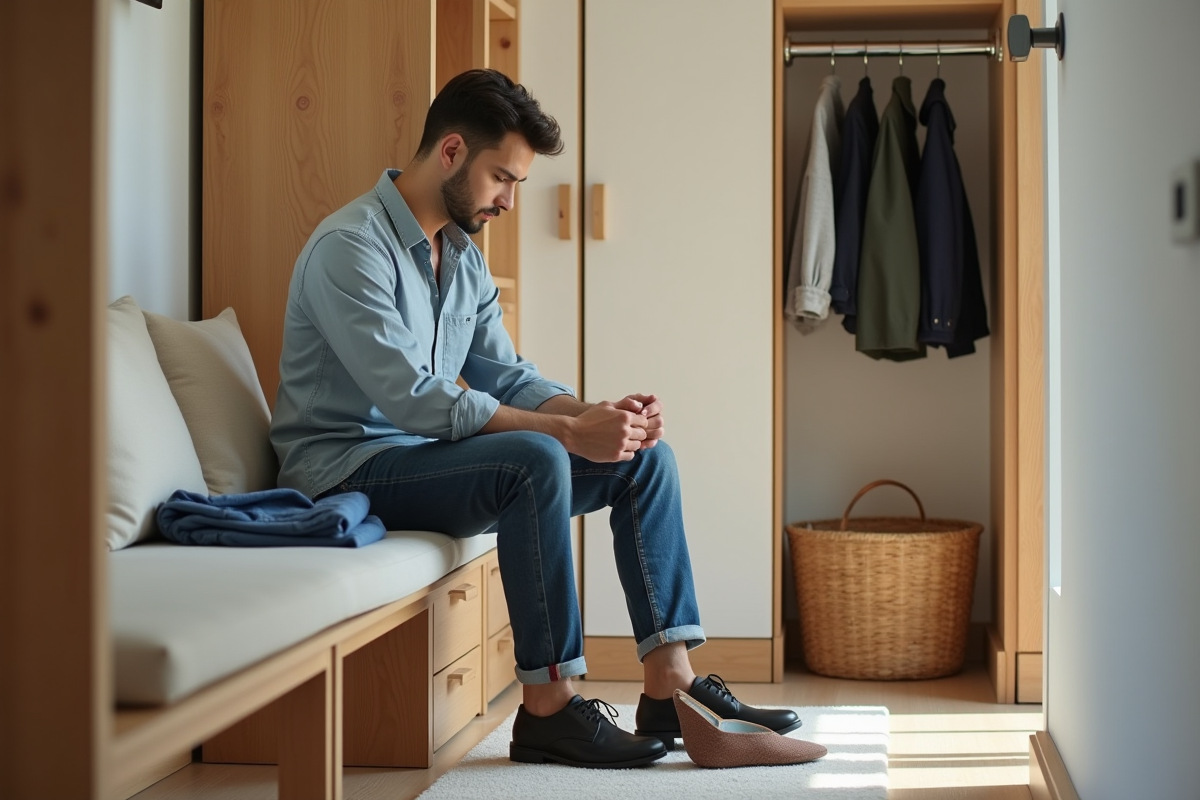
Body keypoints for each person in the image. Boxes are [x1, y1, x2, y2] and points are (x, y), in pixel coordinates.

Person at [269, 68, 799, 769]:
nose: (511, 201)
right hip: (344, 471)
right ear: (451, 152)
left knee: (644, 461)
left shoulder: (460, 257)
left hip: (422, 461)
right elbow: (412, 399)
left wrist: (599, 415)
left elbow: (505, 372)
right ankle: (550, 708)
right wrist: (567, 434)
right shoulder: (350, 248)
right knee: (536, 458)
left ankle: (669, 683)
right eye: (503, 179)